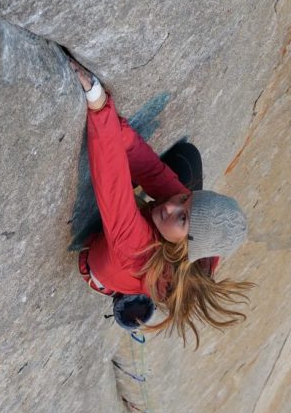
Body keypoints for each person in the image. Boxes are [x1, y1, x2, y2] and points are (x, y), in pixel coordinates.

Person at [69, 59, 253, 346]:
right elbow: (152, 170)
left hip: (107, 258)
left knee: (121, 180)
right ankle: (145, 278)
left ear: (186, 247)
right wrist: (118, 132)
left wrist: (98, 103)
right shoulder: (194, 244)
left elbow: (112, 183)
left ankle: (124, 290)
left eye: (182, 218)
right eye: (184, 200)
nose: (171, 206)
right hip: (157, 252)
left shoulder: (136, 250)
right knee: (187, 159)